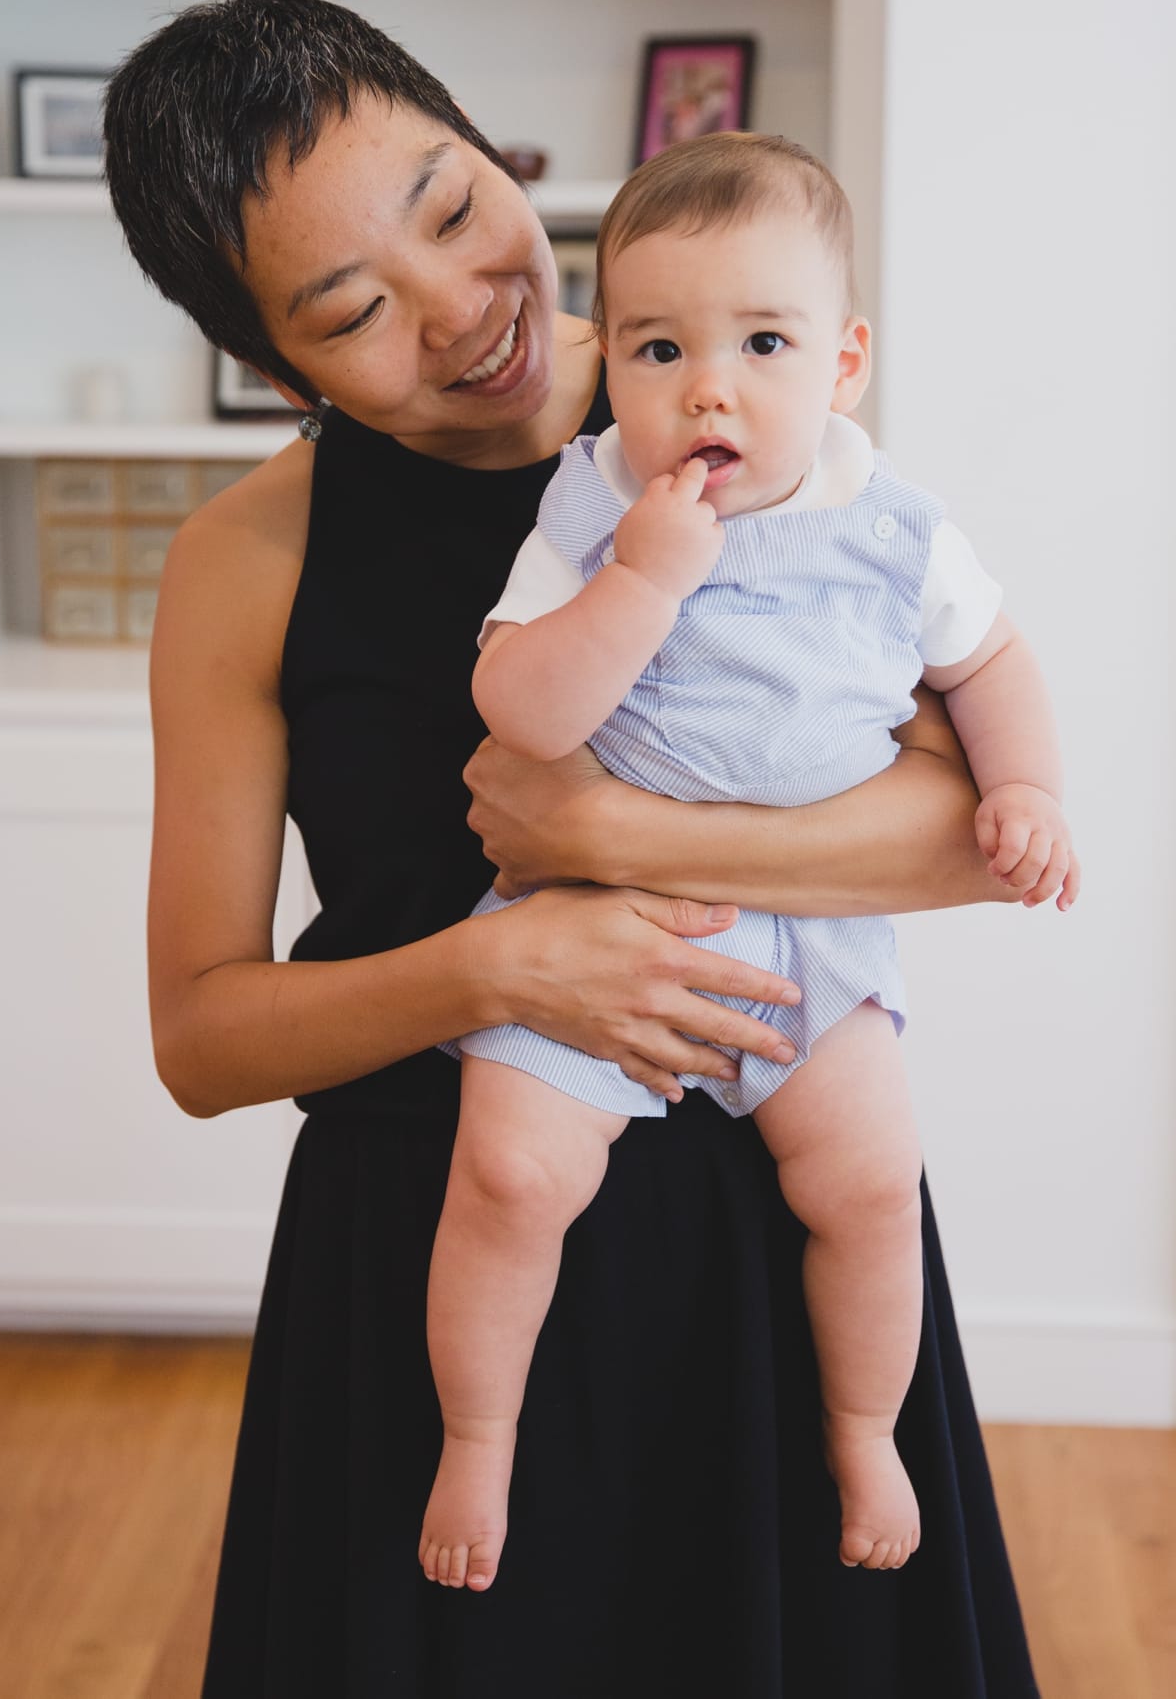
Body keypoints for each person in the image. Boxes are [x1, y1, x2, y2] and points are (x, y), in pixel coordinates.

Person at [104, 0, 1045, 1697]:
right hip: (445, 1249)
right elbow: (200, 1037)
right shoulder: (245, 564)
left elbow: (966, 836)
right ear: (267, 365)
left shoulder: (772, 442)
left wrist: (606, 827)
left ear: (490, 145)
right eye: (350, 309)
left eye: (458, 208)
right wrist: (497, 960)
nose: (466, 312)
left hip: (772, 1221)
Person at [421, 132, 1077, 1596]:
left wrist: (1024, 785)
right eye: (660, 346)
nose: (708, 386)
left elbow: (993, 664)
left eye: (762, 342)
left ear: (841, 364)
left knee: (867, 1183)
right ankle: (479, 1433)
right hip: (591, 921)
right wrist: (646, 581)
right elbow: (521, 712)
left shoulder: (895, 526)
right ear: (615, 375)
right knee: (512, 1174)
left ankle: (865, 1430)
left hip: (811, 943)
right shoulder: (597, 509)